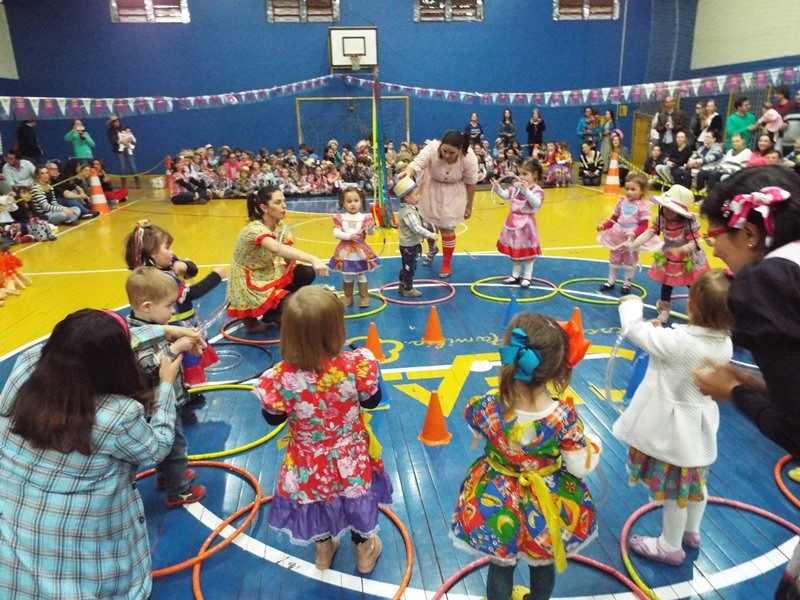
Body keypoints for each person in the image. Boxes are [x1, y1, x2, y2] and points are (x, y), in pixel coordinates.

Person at [0, 308, 183, 599]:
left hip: (13, 524)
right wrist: (165, 386)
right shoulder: (117, 414)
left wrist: (161, 330)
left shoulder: (28, 366)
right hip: (77, 542)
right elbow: (156, 448)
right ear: (115, 363)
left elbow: (82, 345)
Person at [694, 166, 800, 599]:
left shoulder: (770, 282)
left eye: (716, 235)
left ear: (751, 233)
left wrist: (734, 393)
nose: (713, 247)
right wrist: (759, 385)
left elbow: (795, 429)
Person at [450, 311, 599, 600]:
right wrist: (596, 445)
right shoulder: (563, 417)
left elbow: (475, 424)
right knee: (543, 565)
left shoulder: (487, 407)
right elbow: (579, 466)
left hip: (496, 499)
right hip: (547, 504)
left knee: (500, 564)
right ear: (556, 369)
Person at [254, 285, 392, 573]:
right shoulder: (357, 364)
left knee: (316, 500)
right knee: (354, 500)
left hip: (308, 458)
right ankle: (364, 552)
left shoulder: (278, 377)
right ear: (336, 329)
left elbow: (273, 419)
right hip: (349, 453)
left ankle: (324, 551)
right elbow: (372, 400)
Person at [614, 270, 733, 565]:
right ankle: (691, 531)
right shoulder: (725, 344)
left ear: (690, 306)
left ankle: (670, 546)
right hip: (700, 429)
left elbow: (635, 331)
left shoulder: (677, 341)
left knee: (674, 492)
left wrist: (630, 305)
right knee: (695, 484)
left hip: (672, 432)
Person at [125, 266, 207, 507]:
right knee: (175, 448)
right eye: (169, 305)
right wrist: (175, 349)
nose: (173, 311)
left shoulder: (147, 326)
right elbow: (148, 366)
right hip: (158, 404)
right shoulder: (137, 335)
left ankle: (166, 476)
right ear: (147, 306)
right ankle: (178, 490)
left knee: (171, 448)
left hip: (168, 400)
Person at [124, 219, 226, 395]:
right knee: (183, 360)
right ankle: (184, 391)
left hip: (181, 323)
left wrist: (183, 265)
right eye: (167, 248)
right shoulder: (160, 279)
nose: (172, 253)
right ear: (152, 254)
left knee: (187, 357)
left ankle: (185, 390)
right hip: (175, 325)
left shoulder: (166, 265)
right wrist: (216, 276)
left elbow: (192, 269)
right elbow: (192, 293)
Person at [227, 186, 328, 333]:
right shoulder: (254, 229)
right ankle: (250, 316)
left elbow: (287, 254)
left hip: (266, 271)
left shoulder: (280, 226)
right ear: (264, 207)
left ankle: (271, 313)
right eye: (278, 202)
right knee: (287, 307)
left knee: (305, 272)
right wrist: (312, 258)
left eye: (284, 201)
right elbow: (276, 248)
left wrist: (291, 261)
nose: (284, 206)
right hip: (248, 278)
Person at [402, 130, 478, 278]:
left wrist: (469, 205)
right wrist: (408, 173)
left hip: (454, 194)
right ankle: (432, 248)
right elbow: (417, 163)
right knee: (427, 225)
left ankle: (446, 263)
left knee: (447, 229)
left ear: (460, 150)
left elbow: (471, 183)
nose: (447, 155)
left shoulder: (469, 157)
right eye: (444, 151)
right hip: (431, 189)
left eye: (452, 152)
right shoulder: (432, 148)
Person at [629, 185, 709, 322]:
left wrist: (681, 249)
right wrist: (635, 244)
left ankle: (696, 310)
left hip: (688, 258)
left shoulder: (688, 224)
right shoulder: (662, 220)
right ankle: (664, 309)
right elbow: (650, 232)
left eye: (671, 209)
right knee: (666, 283)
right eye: (665, 207)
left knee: (692, 284)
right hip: (669, 257)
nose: (666, 211)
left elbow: (693, 243)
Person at [597, 173, 653, 294]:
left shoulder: (643, 206)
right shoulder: (621, 201)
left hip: (631, 239)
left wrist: (634, 232)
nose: (628, 192)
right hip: (617, 236)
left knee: (629, 261)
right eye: (627, 189)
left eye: (633, 189)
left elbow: (644, 225)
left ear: (642, 190)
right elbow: (614, 218)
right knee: (614, 259)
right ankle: (610, 281)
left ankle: (627, 284)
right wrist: (604, 226)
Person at [493, 158, 544, 287]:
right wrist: (497, 188)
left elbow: (536, 203)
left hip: (526, 225)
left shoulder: (537, 190)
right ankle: (515, 275)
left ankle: (527, 276)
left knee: (528, 252)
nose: (521, 177)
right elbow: (506, 195)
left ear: (535, 175)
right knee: (515, 251)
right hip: (513, 222)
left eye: (525, 174)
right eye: (519, 173)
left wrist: (526, 191)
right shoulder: (516, 187)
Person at [328, 187, 380, 307]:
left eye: (356, 200)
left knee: (361, 274)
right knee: (347, 275)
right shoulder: (340, 218)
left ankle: (364, 297)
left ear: (361, 201)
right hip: (345, 252)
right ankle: (348, 297)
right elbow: (336, 233)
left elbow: (370, 233)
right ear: (343, 203)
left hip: (360, 252)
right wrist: (348, 236)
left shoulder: (365, 218)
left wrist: (371, 228)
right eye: (349, 201)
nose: (353, 204)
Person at [107, 116, 141, 189]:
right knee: (122, 166)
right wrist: (121, 141)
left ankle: (137, 180)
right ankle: (124, 183)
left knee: (132, 165)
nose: (118, 123)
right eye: (116, 122)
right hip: (119, 150)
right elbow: (113, 140)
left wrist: (129, 141)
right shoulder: (110, 131)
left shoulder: (123, 129)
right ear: (112, 123)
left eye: (118, 121)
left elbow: (129, 136)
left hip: (127, 148)